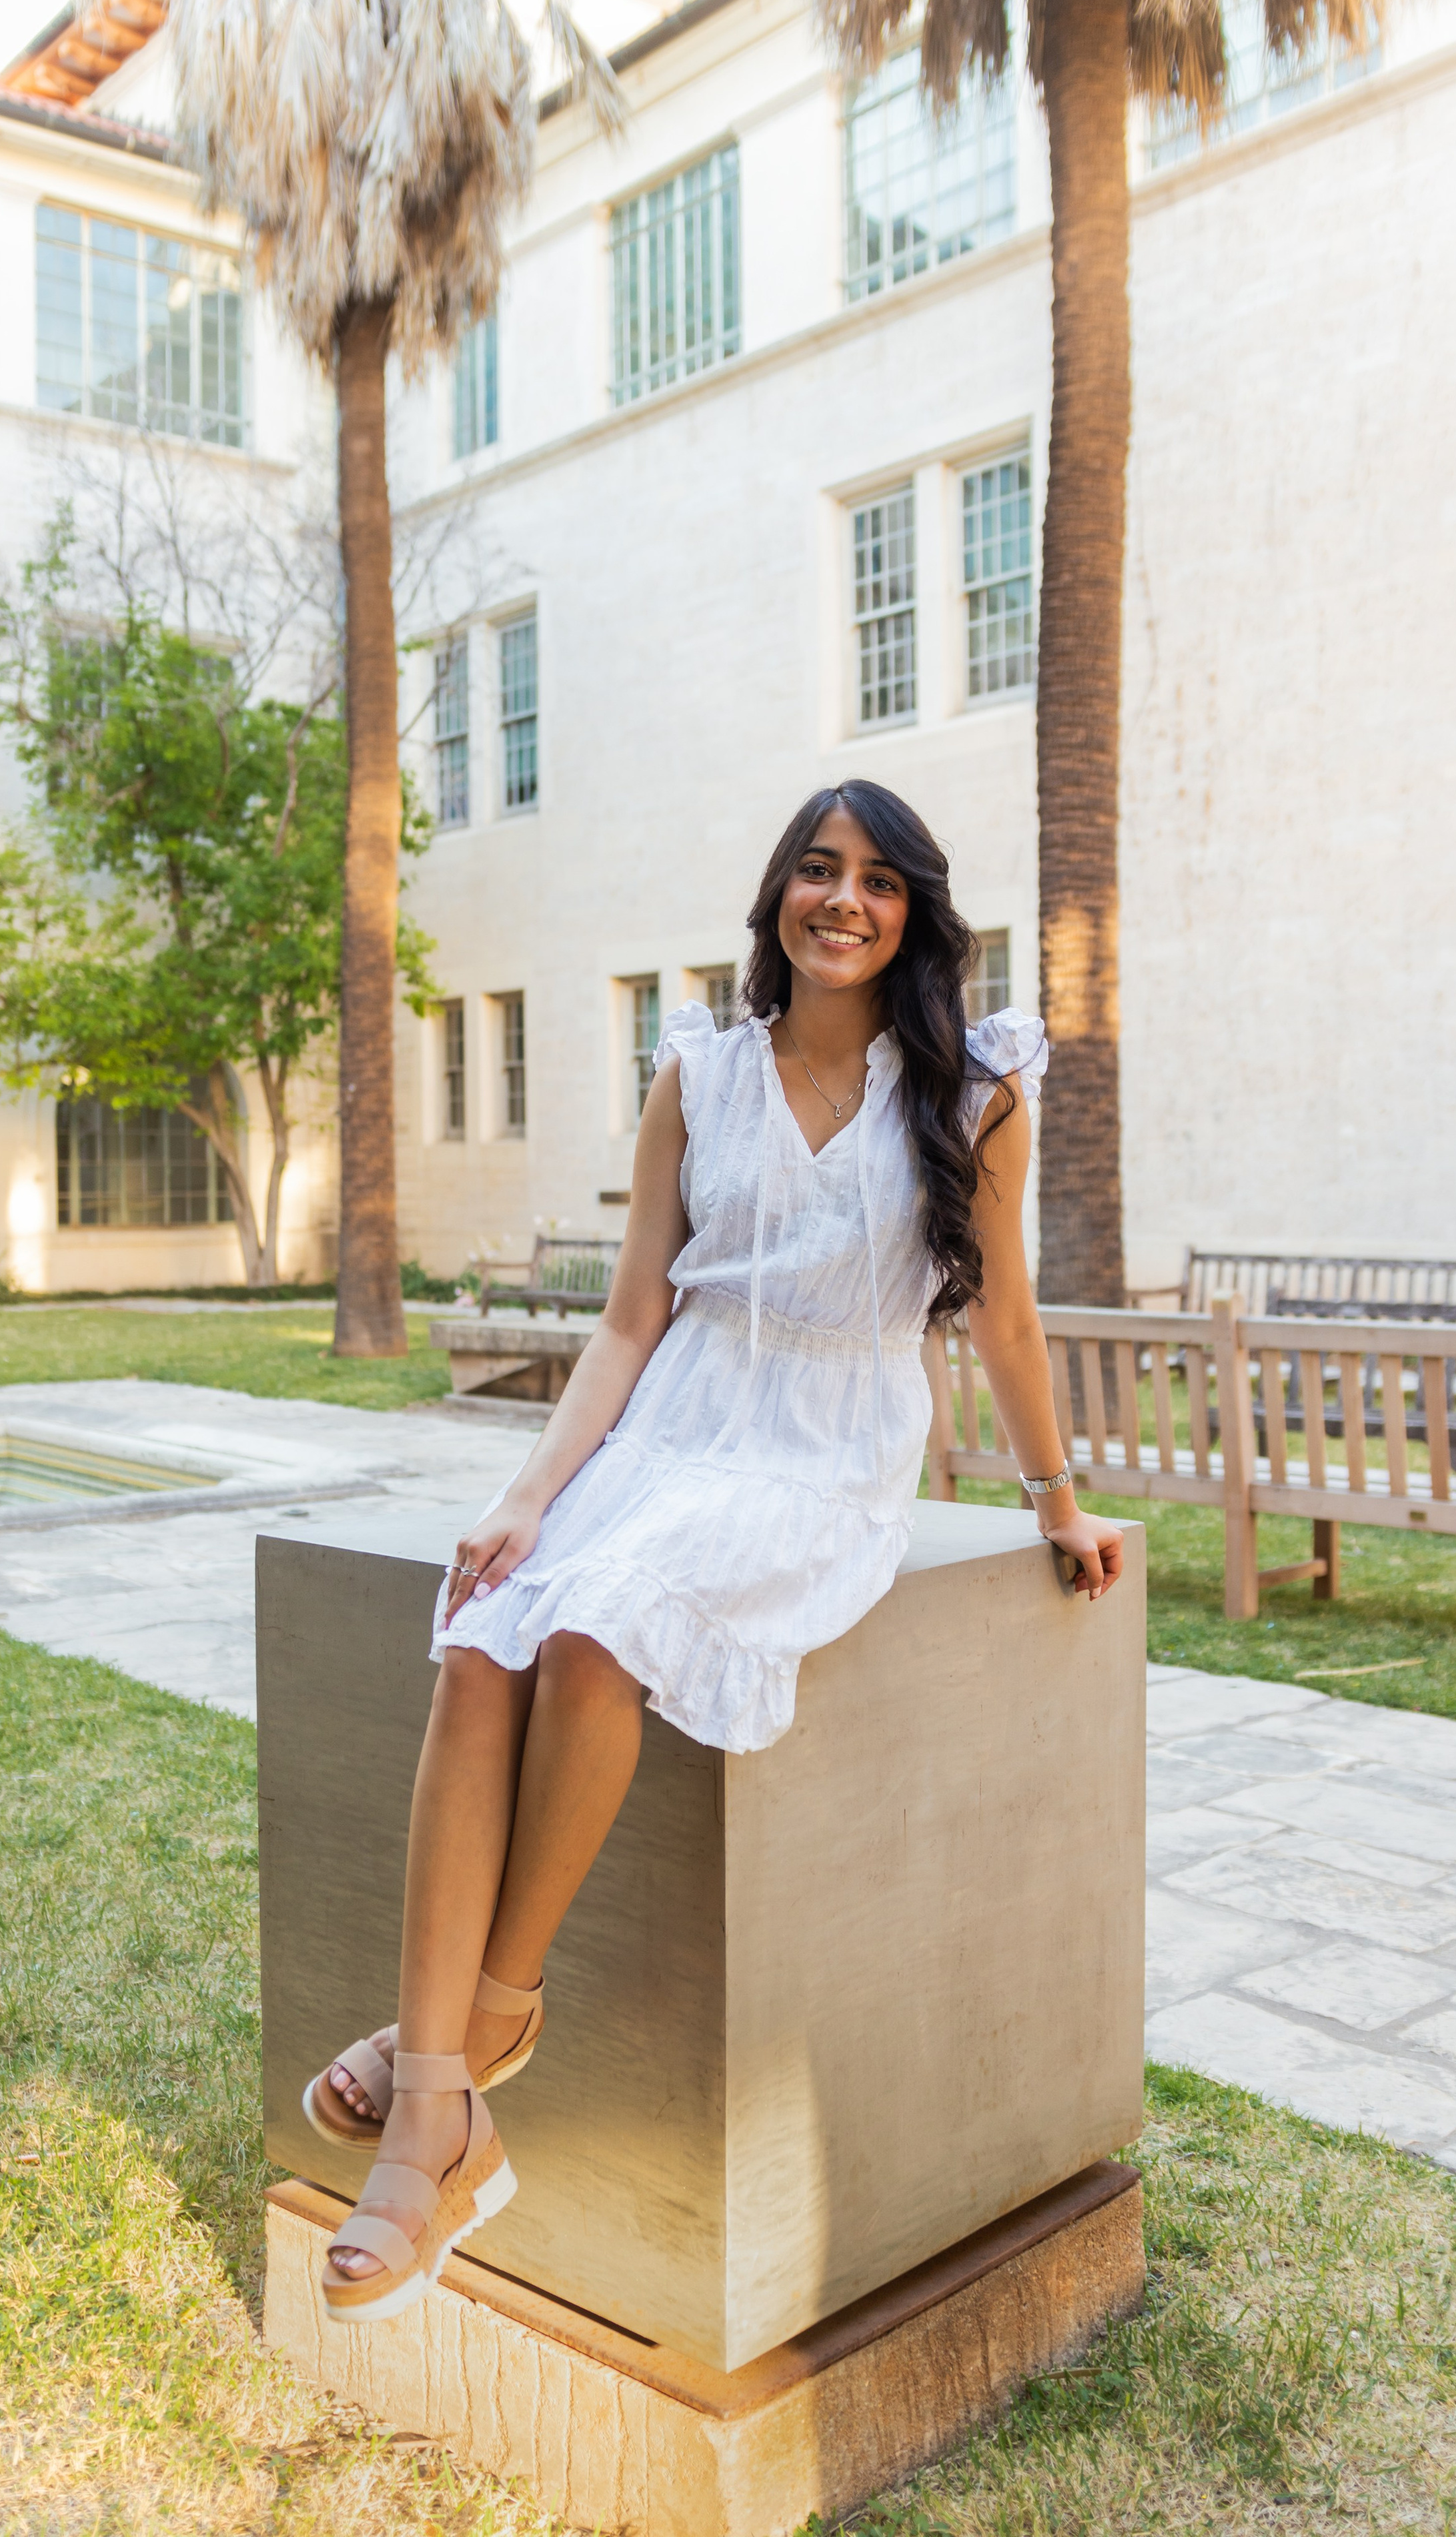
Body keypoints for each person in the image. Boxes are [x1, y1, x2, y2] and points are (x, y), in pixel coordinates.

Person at [305, 779, 1126, 2324]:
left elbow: (1005, 1320)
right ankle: (440, 2109)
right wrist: (528, 1498)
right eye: (816, 870)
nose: (843, 901)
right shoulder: (699, 1073)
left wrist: (1053, 1501)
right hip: (673, 1427)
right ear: (776, 897)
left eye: (877, 881)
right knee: (482, 1637)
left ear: (911, 915)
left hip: (821, 1450)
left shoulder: (970, 1092)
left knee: (596, 1633)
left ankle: (472, 2040)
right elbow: (633, 1319)